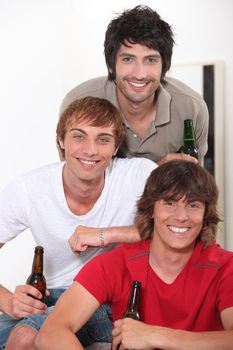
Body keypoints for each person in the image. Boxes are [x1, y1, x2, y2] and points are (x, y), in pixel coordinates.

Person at [0, 96, 156, 350]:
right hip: (50, 299)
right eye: (79, 136)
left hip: (106, 299)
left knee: (25, 338)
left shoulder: (138, 175)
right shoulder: (29, 188)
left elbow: (178, 228)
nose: (90, 150)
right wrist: (6, 300)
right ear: (61, 140)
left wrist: (105, 234)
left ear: (116, 147)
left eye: (103, 139)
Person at [35, 160, 233, 350]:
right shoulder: (117, 263)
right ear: (151, 210)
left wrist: (155, 336)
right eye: (169, 203)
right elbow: (52, 331)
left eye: (193, 205)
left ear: (205, 213)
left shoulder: (225, 267)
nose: (181, 216)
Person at [60, 5, 209, 166]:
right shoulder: (77, 103)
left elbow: (194, 184)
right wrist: (155, 172)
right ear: (111, 65)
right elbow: (75, 180)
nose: (140, 74)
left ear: (164, 66)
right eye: (128, 59)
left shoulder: (191, 107)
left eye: (151, 60)